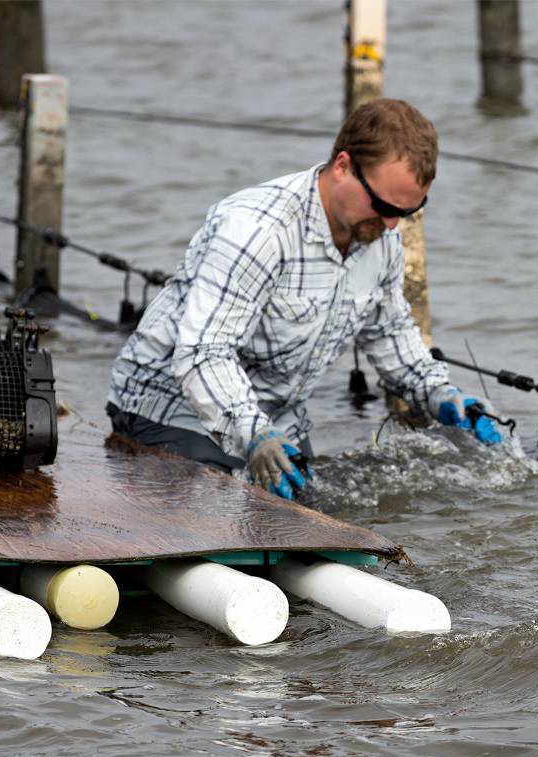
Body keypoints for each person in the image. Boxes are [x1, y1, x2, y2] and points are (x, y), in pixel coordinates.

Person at [107, 98, 497, 501]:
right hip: (169, 409)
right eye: (383, 206)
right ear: (343, 166)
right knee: (234, 518)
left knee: (316, 515)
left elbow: (389, 332)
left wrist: (441, 394)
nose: (393, 223)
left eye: (410, 210)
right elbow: (204, 353)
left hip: (278, 418)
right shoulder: (256, 230)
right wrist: (253, 433)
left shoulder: (381, 238)